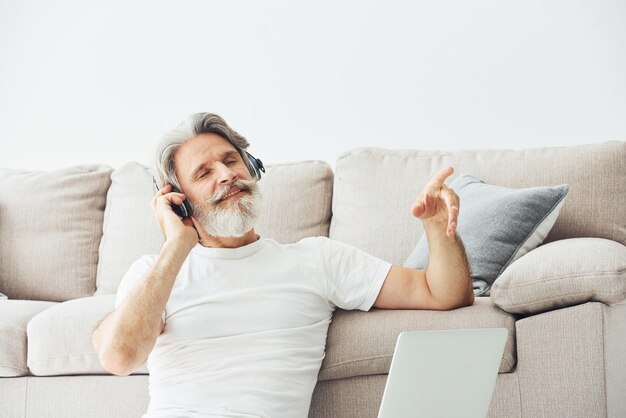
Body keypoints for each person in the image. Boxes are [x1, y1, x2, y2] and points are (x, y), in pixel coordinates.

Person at [91, 112, 474, 418]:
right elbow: (119, 357)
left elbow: (442, 293)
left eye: (231, 161)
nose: (227, 175)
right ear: (177, 200)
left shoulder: (317, 260)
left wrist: (438, 228)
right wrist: (177, 245)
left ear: (253, 167)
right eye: (204, 173)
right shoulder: (154, 273)